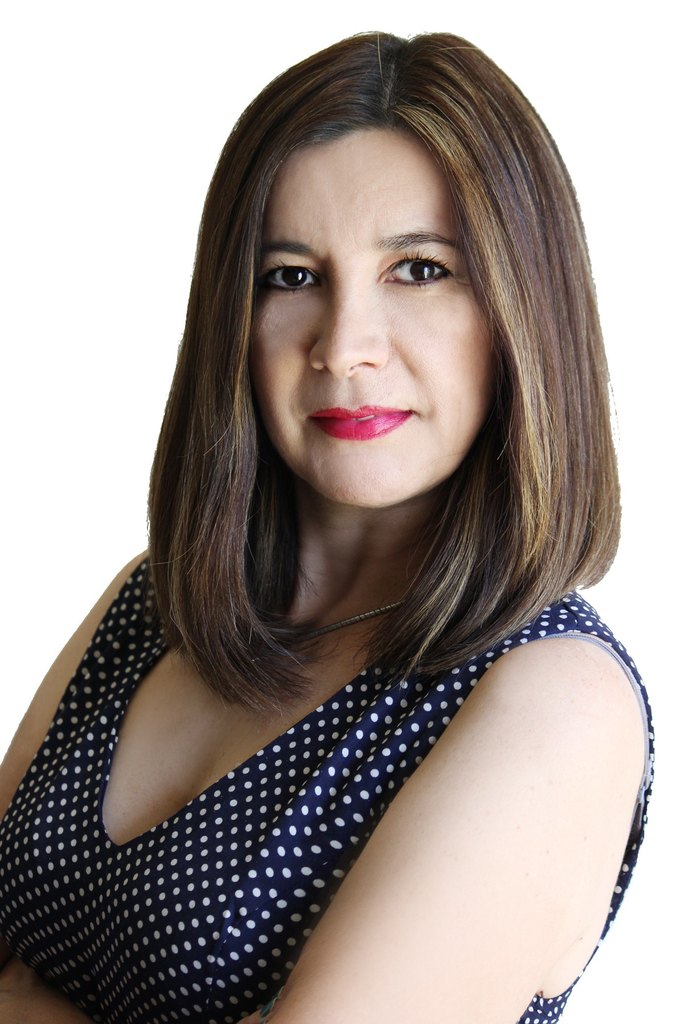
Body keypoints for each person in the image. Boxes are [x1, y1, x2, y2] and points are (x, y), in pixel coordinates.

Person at [0, 30, 653, 1024]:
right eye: (291, 276)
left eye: (419, 270)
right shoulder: (150, 602)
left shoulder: (555, 698)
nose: (343, 348)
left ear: (523, 311)